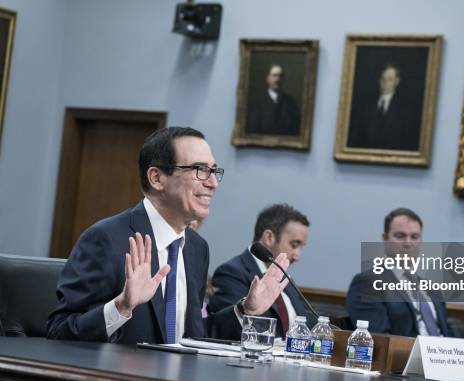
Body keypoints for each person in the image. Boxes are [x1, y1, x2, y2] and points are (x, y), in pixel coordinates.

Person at [47, 127, 291, 344]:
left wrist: (245, 310)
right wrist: (121, 307)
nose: (213, 183)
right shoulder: (106, 239)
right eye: (200, 170)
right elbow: (59, 331)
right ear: (157, 178)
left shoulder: (197, 247)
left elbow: (193, 338)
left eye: (214, 171)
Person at [208, 204, 314, 338]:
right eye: (294, 245)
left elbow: (308, 325)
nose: (297, 255)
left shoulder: (285, 279)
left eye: (301, 247)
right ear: (269, 237)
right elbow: (227, 330)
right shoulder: (231, 273)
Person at [346, 208, 453, 337]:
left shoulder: (431, 288)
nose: (408, 243)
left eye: (415, 237)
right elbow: (379, 339)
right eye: (400, 236)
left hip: (443, 355)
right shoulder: (367, 283)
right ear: (385, 238)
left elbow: (447, 332)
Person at [348, 64, 420, 151]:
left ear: (397, 81)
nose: (385, 83)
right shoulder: (365, 107)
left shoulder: (405, 110)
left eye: (390, 79)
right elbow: (355, 138)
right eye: (383, 78)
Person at [246, 63, 300, 135]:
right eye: (274, 75)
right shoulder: (257, 103)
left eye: (280, 76)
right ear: (268, 79)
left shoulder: (291, 103)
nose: (278, 79)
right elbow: (252, 130)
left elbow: (296, 130)